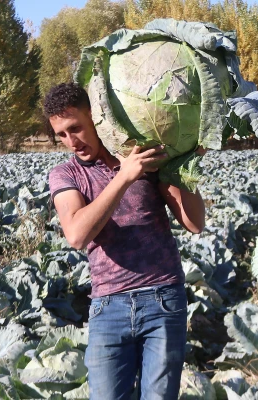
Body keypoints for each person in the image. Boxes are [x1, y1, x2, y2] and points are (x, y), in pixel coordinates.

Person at [45, 82, 205, 400]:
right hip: (109, 307)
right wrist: (124, 176)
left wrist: (184, 162)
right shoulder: (66, 174)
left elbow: (194, 222)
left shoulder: (142, 158)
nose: (71, 141)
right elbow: (77, 234)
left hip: (163, 300)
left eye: (75, 128)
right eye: (61, 134)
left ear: (97, 117)